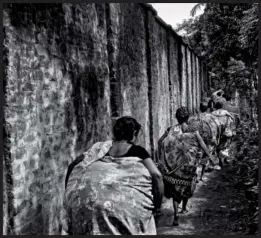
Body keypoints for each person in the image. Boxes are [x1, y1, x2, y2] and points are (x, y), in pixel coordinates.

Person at [61, 116, 164, 235]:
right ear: (134, 133)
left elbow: (73, 166)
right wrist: (157, 205)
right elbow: (157, 175)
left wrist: (69, 194)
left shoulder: (100, 149)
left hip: (92, 205)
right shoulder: (138, 151)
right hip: (124, 209)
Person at [157, 107, 215, 226]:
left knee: (175, 190)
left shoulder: (170, 130)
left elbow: (160, 142)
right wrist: (210, 157)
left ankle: (176, 216)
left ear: (176, 118)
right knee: (187, 185)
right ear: (188, 118)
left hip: (174, 166)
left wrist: (164, 155)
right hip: (188, 166)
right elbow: (202, 144)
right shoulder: (193, 130)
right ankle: (184, 208)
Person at [212, 101, 235, 166]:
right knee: (226, 145)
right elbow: (232, 118)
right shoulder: (225, 112)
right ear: (222, 106)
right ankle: (225, 159)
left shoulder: (213, 113)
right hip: (225, 132)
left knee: (217, 146)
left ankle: (219, 160)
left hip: (216, 132)